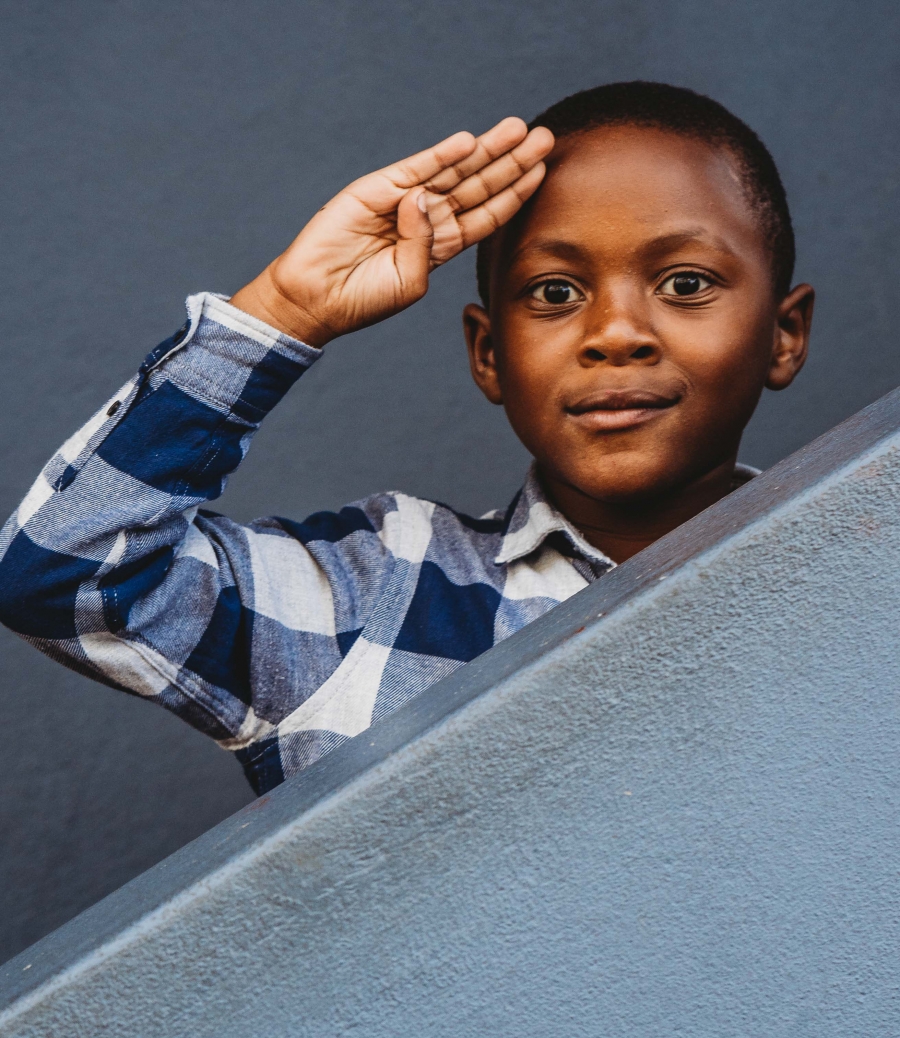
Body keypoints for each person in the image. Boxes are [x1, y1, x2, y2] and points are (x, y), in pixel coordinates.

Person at [0, 82, 814, 795]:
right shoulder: (380, 593)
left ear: (784, 335)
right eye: (556, 292)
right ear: (488, 354)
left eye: (685, 283)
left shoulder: (854, 568)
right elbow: (61, 574)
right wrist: (284, 311)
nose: (615, 333)